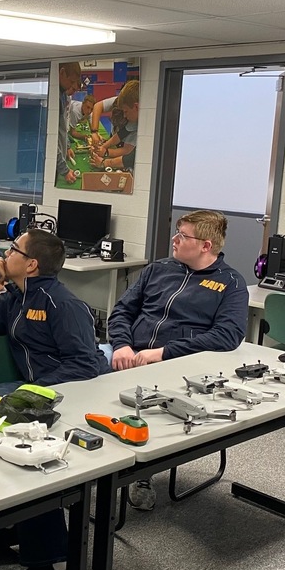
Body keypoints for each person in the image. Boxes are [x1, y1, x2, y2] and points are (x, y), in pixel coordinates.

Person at [0, 228, 109, 570]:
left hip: (70, 395)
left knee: (8, 438)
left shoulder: (63, 304)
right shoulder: (19, 296)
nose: (4, 254)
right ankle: (14, 524)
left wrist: (30, 394)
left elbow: (85, 365)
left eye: (12, 250)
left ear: (31, 264)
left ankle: (54, 565)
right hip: (37, 392)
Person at [106, 209, 248, 509]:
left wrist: (163, 353)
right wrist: (121, 345)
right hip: (129, 353)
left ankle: (140, 472)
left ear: (205, 245)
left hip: (176, 365)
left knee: (152, 402)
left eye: (183, 236)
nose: (174, 239)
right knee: (83, 376)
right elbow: (122, 311)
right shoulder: (158, 269)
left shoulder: (230, 283)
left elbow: (228, 335)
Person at [89, 80, 140, 171]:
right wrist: (101, 143)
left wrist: (104, 159)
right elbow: (120, 134)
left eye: (125, 112)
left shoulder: (139, 123)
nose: (125, 115)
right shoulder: (126, 103)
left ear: (136, 107)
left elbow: (129, 156)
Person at [55, 62, 83, 186]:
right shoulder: (53, 97)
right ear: (61, 73)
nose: (71, 87)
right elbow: (49, 140)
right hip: (53, 162)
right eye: (71, 82)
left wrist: (66, 147)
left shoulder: (62, 94)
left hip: (59, 158)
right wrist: (64, 170)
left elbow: (62, 127)